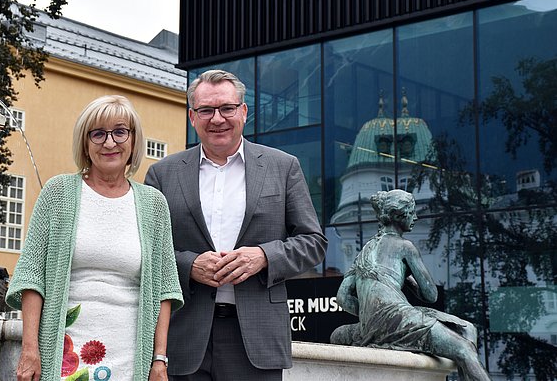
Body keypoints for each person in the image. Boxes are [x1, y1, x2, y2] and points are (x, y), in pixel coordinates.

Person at [145, 70, 328, 380]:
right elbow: (147, 251)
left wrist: (263, 257)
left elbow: (314, 242)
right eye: (206, 110)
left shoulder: (283, 167)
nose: (217, 118)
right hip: (184, 335)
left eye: (226, 108)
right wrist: (189, 265)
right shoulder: (163, 174)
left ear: (243, 112)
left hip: (257, 339)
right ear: (192, 117)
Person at [6, 95, 183, 381]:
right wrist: (30, 350)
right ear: (85, 143)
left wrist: (159, 360)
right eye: (98, 133)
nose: (110, 143)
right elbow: (31, 277)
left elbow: (165, 290)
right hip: (66, 350)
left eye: (120, 132)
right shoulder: (58, 193)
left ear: (134, 140)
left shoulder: (154, 204)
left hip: (131, 353)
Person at [331, 189, 490, 381]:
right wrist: (408, 280)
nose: (416, 217)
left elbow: (342, 297)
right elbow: (431, 295)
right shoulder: (405, 247)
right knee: (465, 345)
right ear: (400, 215)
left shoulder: (365, 251)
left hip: (369, 326)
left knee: (337, 335)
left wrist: (369, 314)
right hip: (398, 319)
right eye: (412, 212)